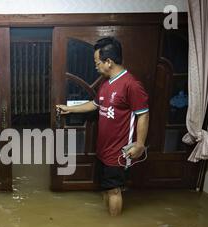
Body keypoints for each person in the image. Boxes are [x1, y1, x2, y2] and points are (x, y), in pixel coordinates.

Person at [56, 37, 149, 216]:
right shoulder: (106, 84)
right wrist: (69, 109)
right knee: (106, 188)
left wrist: (139, 144)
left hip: (119, 152)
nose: (96, 66)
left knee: (114, 190)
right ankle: (107, 221)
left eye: (97, 62)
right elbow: (95, 105)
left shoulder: (131, 85)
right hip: (103, 149)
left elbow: (143, 114)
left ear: (109, 62)